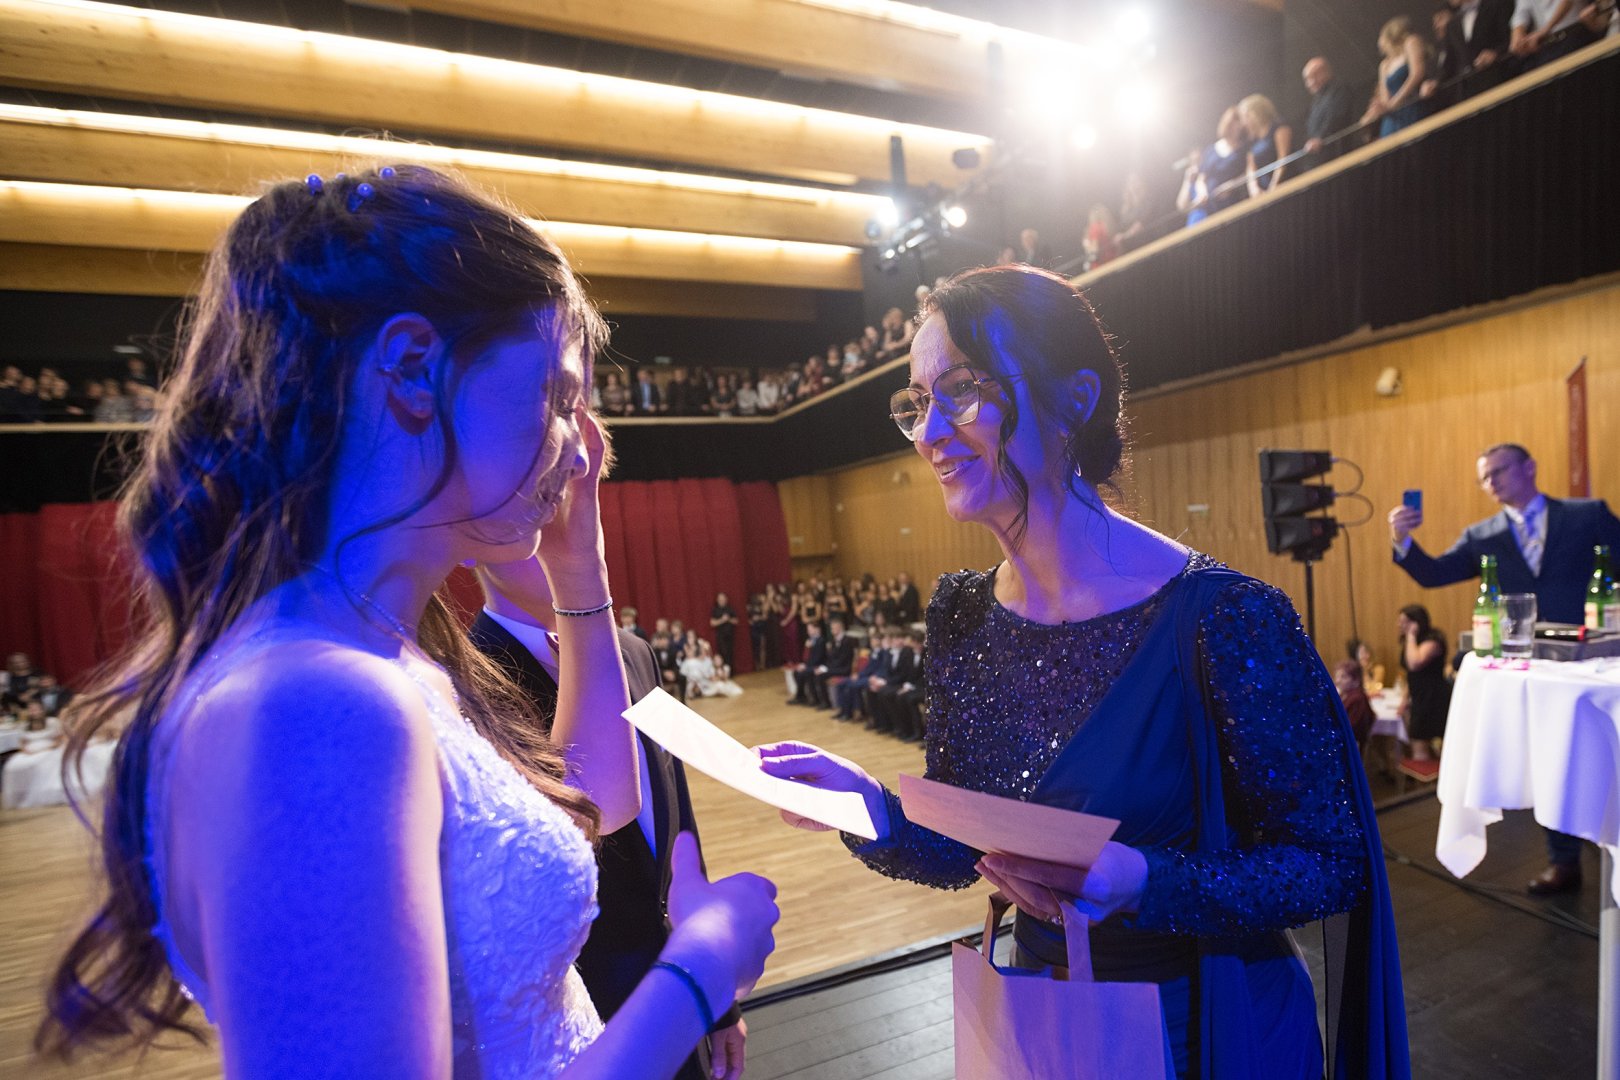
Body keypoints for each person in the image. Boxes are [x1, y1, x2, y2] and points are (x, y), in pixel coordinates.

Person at [35, 165, 778, 1078]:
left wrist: (578, 562)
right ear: (416, 368)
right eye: (556, 397)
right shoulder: (311, 703)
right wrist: (698, 971)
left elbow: (593, 807)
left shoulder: (390, 651)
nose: (579, 447)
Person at [759, 265, 1408, 1079]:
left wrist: (1142, 879)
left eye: (962, 390)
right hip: (1045, 1019)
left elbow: (1330, 864)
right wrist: (865, 807)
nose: (930, 433)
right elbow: (968, 847)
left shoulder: (1226, 616)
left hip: (1205, 1029)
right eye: (917, 403)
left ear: (1075, 397)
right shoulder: (961, 612)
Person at [470, 556, 749, 1080]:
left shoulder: (633, 652)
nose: (561, 540)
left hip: (685, 976)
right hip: (585, 1007)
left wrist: (719, 999)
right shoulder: (466, 682)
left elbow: (677, 828)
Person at [1389, 441, 1620, 894]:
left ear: (1528, 467)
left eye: (1498, 471)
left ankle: (1605, 829)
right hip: (1534, 670)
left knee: (1603, 751)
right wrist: (1402, 541)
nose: (1490, 482)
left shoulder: (1586, 515)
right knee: (1554, 758)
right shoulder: (1483, 535)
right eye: (1484, 477)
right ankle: (1564, 860)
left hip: (1593, 660)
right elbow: (1434, 574)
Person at [1395, 604, 1451, 778]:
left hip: (1434, 698)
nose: (1400, 625)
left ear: (1416, 622)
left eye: (1404, 622)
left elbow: (1415, 663)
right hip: (1419, 698)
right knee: (1418, 742)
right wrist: (1404, 701)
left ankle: (1435, 783)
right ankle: (1424, 782)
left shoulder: (1433, 640)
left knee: (1431, 742)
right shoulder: (1410, 642)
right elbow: (1410, 675)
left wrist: (1411, 635)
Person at [1364, 16, 1435, 138]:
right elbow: (1385, 95)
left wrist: (1394, 103)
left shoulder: (1411, 42)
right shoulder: (1384, 65)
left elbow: (1417, 73)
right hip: (1392, 118)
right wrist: (1381, 107)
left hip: (1413, 106)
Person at [1177, 107, 1249, 227]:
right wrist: (1202, 191)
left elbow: (1247, 173)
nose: (1236, 127)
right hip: (1208, 206)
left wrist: (1232, 185)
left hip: (1229, 204)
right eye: (1232, 124)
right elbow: (1201, 178)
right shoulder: (1211, 150)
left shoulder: (1243, 150)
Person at [1301, 58, 1359, 161]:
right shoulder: (1317, 99)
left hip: (1343, 151)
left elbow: (1337, 117)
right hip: (1325, 155)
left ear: (1324, 72)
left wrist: (1320, 138)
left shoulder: (1340, 89)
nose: (1310, 83)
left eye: (1313, 76)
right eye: (1307, 79)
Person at [1241, 94, 1294, 196]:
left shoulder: (1279, 127)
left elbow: (1283, 159)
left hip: (1285, 184)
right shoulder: (1253, 140)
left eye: (1246, 116)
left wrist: (1273, 188)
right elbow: (1251, 168)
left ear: (1256, 113)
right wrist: (1254, 189)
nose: (1244, 122)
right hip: (1263, 191)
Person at [709, 591, 739, 675]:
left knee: (730, 653)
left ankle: (730, 672)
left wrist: (728, 619)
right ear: (717, 600)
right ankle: (722, 672)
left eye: (723, 599)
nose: (722, 601)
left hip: (730, 634)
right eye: (720, 599)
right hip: (720, 635)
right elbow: (712, 623)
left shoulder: (730, 609)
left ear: (726, 600)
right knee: (723, 653)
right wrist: (722, 620)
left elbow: (736, 621)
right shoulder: (715, 610)